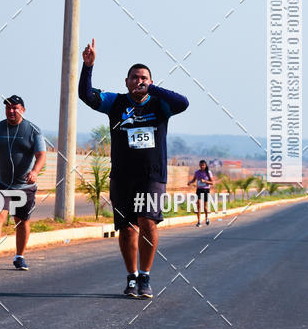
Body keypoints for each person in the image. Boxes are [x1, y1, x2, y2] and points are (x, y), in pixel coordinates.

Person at [78, 38, 189, 300]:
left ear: (150, 81)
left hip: (152, 176)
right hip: (122, 176)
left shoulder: (160, 104)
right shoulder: (115, 103)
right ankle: (132, 276)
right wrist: (88, 66)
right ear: (126, 82)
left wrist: (153, 89)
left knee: (147, 222)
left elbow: (183, 103)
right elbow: (86, 95)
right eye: (135, 78)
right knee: (127, 227)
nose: (139, 81)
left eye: (144, 78)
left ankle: (145, 276)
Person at [0, 95, 46, 272]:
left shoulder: (33, 130)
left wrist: (35, 172)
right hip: (0, 183)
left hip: (24, 186)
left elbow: (41, 155)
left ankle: (19, 257)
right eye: (8, 108)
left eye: (15, 108)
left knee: (22, 221)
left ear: (23, 110)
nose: (11, 111)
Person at [188, 160, 213, 226]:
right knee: (198, 205)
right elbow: (194, 180)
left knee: (205, 206)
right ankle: (199, 221)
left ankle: (206, 218)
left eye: (203, 165)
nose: (202, 166)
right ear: (199, 165)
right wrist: (190, 182)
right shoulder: (197, 172)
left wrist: (205, 181)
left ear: (205, 165)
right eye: (201, 165)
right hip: (199, 189)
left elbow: (212, 182)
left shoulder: (208, 172)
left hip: (206, 190)